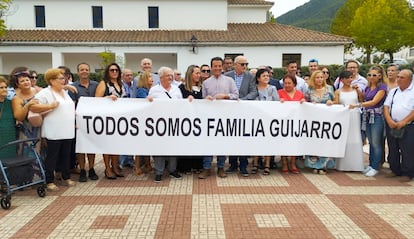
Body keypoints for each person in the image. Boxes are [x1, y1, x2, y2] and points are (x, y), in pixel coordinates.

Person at [31, 68, 76, 191]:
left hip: (67, 130)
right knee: (52, 156)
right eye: (60, 78)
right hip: (53, 131)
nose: (63, 80)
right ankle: (49, 180)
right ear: (52, 80)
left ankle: (66, 177)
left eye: (64, 78)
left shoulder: (64, 92)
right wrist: (50, 106)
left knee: (66, 155)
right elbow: (33, 106)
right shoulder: (45, 93)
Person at [199, 56, 239, 179]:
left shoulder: (229, 81)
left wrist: (226, 96)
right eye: (215, 66)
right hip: (209, 117)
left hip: (225, 116)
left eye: (219, 66)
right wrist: (206, 99)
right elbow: (201, 100)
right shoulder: (205, 83)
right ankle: (207, 168)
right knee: (208, 143)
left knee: (222, 142)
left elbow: (236, 95)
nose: (217, 68)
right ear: (211, 67)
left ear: (222, 67)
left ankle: (221, 167)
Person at [147, 66, 183, 183]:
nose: (170, 77)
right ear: (161, 77)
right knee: (159, 148)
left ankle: (172, 170)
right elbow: (149, 106)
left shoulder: (176, 89)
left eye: (171, 75)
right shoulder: (154, 90)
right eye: (168, 75)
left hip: (173, 123)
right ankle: (159, 172)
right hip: (159, 124)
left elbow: (182, 104)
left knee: (173, 148)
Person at [350, 65, 387, 177]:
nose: (371, 77)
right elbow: (364, 99)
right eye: (369, 75)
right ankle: (371, 164)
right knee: (371, 142)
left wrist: (357, 105)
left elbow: (373, 102)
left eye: (374, 75)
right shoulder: (367, 87)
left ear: (380, 76)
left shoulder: (382, 88)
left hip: (376, 117)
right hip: (367, 116)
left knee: (376, 143)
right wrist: (358, 92)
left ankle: (376, 166)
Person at [224, 55, 257, 176]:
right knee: (231, 137)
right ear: (235, 65)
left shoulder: (250, 76)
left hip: (244, 111)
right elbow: (224, 91)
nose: (245, 67)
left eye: (246, 64)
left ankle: (243, 166)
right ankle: (233, 164)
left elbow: (254, 92)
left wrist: (242, 100)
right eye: (242, 64)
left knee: (243, 139)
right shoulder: (227, 76)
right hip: (230, 111)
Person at [68, 62, 100, 182]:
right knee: (80, 147)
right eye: (82, 70)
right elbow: (72, 105)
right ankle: (82, 170)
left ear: (89, 71)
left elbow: (101, 100)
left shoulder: (96, 85)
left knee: (91, 146)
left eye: (86, 69)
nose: (84, 71)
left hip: (94, 121)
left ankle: (91, 169)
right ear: (78, 72)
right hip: (79, 121)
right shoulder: (73, 87)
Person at [95, 63, 126, 179]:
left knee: (116, 144)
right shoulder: (104, 84)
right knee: (107, 145)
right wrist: (106, 98)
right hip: (107, 119)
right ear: (108, 72)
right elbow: (96, 100)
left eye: (116, 70)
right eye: (112, 70)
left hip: (119, 119)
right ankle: (107, 169)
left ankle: (115, 167)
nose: (114, 72)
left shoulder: (120, 84)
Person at [383, 69, 414, 182]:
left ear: (409, 79)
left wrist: (404, 121)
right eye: (398, 77)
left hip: (409, 125)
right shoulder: (394, 91)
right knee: (393, 148)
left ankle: (408, 172)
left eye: (402, 77)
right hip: (392, 124)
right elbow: (386, 106)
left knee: (407, 149)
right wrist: (389, 120)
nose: (399, 79)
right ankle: (395, 169)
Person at [304, 70, 335, 174]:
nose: (319, 79)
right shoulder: (309, 90)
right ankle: (314, 165)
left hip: (327, 121)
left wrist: (332, 102)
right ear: (313, 79)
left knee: (325, 142)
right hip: (313, 121)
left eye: (321, 77)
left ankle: (324, 165)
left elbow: (336, 101)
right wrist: (307, 103)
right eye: (317, 77)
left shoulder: (329, 88)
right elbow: (305, 102)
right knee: (315, 142)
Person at [333, 70, 364, 172]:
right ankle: (342, 165)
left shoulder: (355, 90)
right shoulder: (338, 91)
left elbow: (361, 100)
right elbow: (336, 104)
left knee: (355, 137)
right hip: (344, 116)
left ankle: (356, 164)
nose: (349, 80)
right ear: (342, 80)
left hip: (355, 115)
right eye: (347, 78)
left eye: (351, 78)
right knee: (344, 138)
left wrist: (358, 91)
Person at [251, 68, 279, 175]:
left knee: (268, 142)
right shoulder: (254, 89)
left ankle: (267, 165)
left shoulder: (272, 88)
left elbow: (276, 102)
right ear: (258, 78)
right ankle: (255, 164)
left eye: (268, 76)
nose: (266, 77)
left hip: (269, 119)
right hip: (257, 119)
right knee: (257, 142)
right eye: (264, 76)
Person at [177, 65, 203, 174]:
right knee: (186, 143)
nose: (199, 75)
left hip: (199, 121)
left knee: (197, 143)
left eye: (199, 73)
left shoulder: (201, 88)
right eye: (196, 73)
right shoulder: (182, 88)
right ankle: (185, 167)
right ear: (190, 74)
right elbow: (178, 103)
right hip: (186, 121)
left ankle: (197, 166)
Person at [278, 74, 305, 174]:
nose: (287, 85)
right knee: (283, 143)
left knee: (294, 143)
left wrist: (303, 102)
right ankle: (284, 163)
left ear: (294, 84)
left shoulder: (299, 94)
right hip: (283, 123)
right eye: (285, 83)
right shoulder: (279, 93)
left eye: (289, 83)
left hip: (296, 123)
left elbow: (305, 107)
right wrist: (278, 102)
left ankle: (292, 163)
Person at [11, 68, 41, 154]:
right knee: (26, 151)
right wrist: (27, 105)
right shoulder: (16, 98)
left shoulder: (37, 91)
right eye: (22, 81)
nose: (26, 82)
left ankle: (39, 167)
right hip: (25, 130)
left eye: (27, 80)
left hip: (38, 127)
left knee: (39, 151)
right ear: (18, 84)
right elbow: (19, 117)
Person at [118, 68, 136, 170]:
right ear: (122, 76)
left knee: (131, 139)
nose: (129, 77)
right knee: (123, 139)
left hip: (132, 116)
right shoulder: (120, 86)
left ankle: (129, 160)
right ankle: (121, 162)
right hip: (122, 115)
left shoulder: (134, 86)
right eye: (127, 75)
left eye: (130, 75)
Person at [0, 77, 16, 158]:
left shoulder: (11, 103)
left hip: (10, 134)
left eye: (5, 87)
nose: (4, 89)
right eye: (1, 87)